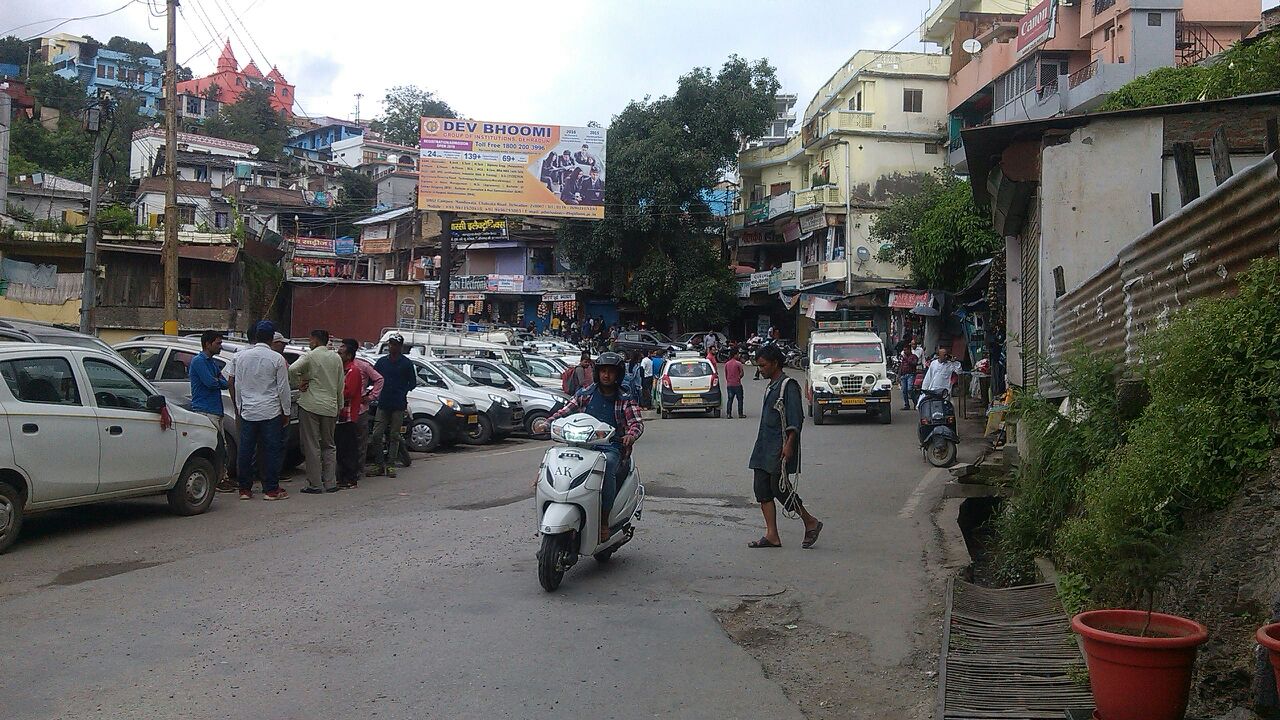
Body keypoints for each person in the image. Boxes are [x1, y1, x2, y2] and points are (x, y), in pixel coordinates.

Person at [543, 352, 644, 542]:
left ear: (618, 375)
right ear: (598, 373)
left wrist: (630, 436)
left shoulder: (625, 398)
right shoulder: (585, 394)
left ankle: (604, 520)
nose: (606, 375)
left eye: (611, 372)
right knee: (554, 458)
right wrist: (546, 422)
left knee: (607, 467)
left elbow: (636, 423)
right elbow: (565, 411)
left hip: (610, 448)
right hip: (582, 445)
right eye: (603, 371)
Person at [748, 345, 822, 549]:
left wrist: (789, 446)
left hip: (779, 447)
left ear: (775, 363)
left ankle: (810, 521)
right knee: (762, 490)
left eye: (763, 365)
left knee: (780, 488)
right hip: (763, 447)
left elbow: (795, 419)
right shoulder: (771, 386)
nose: (760, 369)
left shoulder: (788, 386)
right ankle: (772, 535)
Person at [227, 321, 291, 501]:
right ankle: (271, 489)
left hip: (248, 411)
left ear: (256, 336)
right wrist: (286, 411)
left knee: (246, 450)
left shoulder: (240, 357)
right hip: (270, 411)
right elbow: (283, 388)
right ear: (271, 338)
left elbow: (237, 384)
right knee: (271, 450)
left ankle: (244, 489)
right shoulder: (277, 359)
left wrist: (239, 407)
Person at [290, 330, 344, 495]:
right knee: (329, 444)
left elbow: (292, 369)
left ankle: (315, 484)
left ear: (315, 340)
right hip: (330, 406)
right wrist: (339, 405)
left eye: (310, 340)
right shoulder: (336, 358)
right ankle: (330, 482)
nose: (309, 342)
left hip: (310, 405)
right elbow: (340, 384)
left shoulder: (310, 356)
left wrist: (298, 383)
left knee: (312, 445)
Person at [189, 330, 232, 492]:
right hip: (205, 409)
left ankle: (223, 477)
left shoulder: (212, 363)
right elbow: (211, 382)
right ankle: (218, 479)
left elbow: (224, 382)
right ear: (207, 344)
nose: (220, 346)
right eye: (218, 343)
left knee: (222, 446)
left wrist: (218, 381)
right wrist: (218, 381)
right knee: (214, 446)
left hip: (216, 409)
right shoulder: (199, 361)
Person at [370, 334, 416, 478]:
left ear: (400, 347)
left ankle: (390, 464)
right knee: (377, 435)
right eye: (390, 344)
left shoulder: (406, 363)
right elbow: (374, 379)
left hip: (398, 404)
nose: (392, 347)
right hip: (383, 403)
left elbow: (412, 383)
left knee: (394, 435)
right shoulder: (382, 362)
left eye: (395, 344)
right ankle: (379, 464)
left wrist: (402, 390)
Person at [336, 340, 364, 489]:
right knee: (341, 447)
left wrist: (334, 391)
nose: (338, 355)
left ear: (348, 355)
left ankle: (351, 477)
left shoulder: (353, 371)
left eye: (341, 353)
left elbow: (349, 392)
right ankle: (342, 476)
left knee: (349, 448)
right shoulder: (341, 369)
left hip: (348, 415)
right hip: (340, 414)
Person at [351, 344, 384, 467]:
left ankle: (358, 469)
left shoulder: (362, 366)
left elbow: (379, 379)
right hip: (343, 409)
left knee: (360, 442)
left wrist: (371, 396)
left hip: (360, 409)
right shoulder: (338, 365)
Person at [897, 341, 921, 410]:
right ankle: (906, 405)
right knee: (904, 391)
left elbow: (914, 363)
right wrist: (899, 375)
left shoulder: (914, 357)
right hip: (903, 375)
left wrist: (906, 359)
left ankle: (915, 402)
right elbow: (901, 366)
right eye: (904, 350)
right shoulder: (903, 358)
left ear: (909, 350)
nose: (904, 352)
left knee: (910, 389)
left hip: (910, 374)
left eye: (906, 350)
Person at [723, 348, 746, 419]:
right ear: (735, 355)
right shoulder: (738, 363)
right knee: (740, 399)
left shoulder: (727, 364)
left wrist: (729, 380)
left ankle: (728, 414)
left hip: (729, 385)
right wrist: (738, 377)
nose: (738, 356)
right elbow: (742, 373)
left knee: (730, 400)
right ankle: (740, 414)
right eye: (738, 354)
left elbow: (726, 374)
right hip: (737, 384)